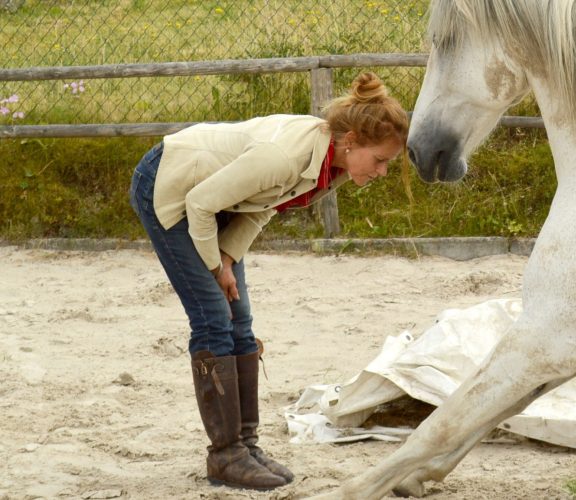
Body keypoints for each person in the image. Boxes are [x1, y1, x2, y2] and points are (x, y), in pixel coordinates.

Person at [128, 72, 408, 490]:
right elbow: (199, 203)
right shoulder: (285, 155)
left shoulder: (332, 166)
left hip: (219, 204)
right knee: (212, 315)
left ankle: (245, 446)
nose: (383, 171)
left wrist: (226, 256)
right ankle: (224, 456)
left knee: (239, 320)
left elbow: (264, 206)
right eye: (381, 159)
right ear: (351, 140)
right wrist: (214, 268)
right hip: (171, 186)